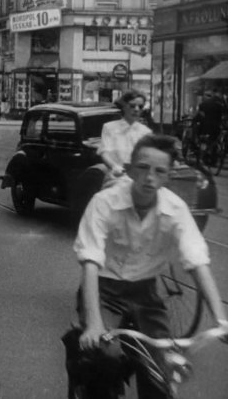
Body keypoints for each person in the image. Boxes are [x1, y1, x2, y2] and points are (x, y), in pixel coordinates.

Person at [69, 134, 228, 398]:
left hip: (146, 295)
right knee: (102, 359)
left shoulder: (176, 209)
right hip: (105, 290)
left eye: (159, 171)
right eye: (142, 168)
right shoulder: (104, 202)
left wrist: (219, 317)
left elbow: (197, 261)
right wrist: (94, 323)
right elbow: (90, 261)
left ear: (168, 177)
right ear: (130, 168)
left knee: (160, 376)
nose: (149, 177)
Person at [97, 90, 152, 185]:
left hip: (138, 180)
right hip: (115, 177)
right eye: (132, 106)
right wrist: (114, 167)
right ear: (124, 106)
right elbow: (104, 152)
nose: (136, 109)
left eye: (140, 107)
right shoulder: (109, 128)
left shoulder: (146, 132)